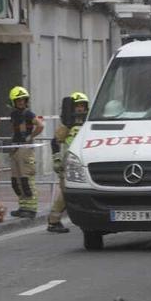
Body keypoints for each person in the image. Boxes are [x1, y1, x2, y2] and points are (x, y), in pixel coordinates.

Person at [47, 91, 89, 234]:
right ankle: (54, 221)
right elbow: (55, 142)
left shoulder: (89, 123)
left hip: (84, 161)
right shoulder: (67, 125)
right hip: (69, 163)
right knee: (66, 193)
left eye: (82, 106)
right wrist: (57, 160)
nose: (80, 109)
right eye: (77, 106)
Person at [7, 86, 44, 219]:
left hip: (26, 149)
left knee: (26, 179)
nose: (21, 102)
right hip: (16, 148)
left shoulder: (29, 114)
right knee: (17, 180)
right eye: (18, 100)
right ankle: (23, 207)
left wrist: (31, 136)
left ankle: (31, 209)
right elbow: (14, 130)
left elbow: (40, 125)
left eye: (23, 100)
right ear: (14, 102)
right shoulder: (14, 114)